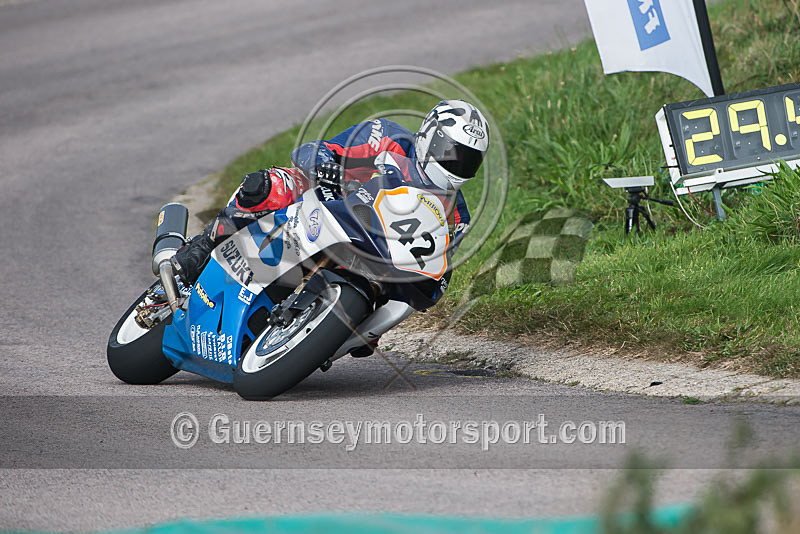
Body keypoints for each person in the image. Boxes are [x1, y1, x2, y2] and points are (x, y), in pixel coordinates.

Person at [171, 99, 490, 289]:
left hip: (371, 252)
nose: (456, 165)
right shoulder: (387, 137)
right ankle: (202, 247)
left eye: (468, 161)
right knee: (268, 186)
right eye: (451, 153)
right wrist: (324, 166)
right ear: (428, 136)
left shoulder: (457, 215)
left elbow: (437, 268)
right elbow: (316, 150)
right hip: (326, 199)